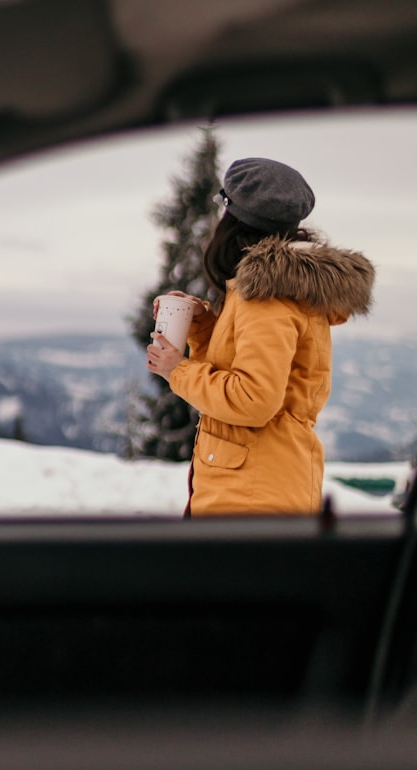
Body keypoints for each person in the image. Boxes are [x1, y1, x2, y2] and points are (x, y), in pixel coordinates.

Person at [145, 157, 375, 516]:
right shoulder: (275, 290)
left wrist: (178, 371)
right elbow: (241, 371)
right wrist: (203, 325)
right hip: (257, 488)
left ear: (232, 221)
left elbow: (253, 398)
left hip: (252, 497)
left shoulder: (267, 297)